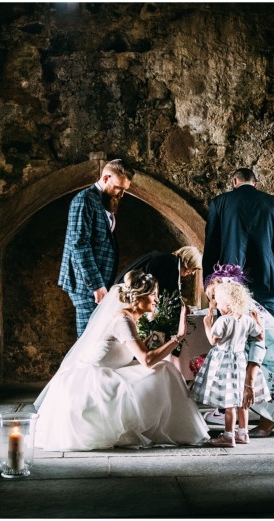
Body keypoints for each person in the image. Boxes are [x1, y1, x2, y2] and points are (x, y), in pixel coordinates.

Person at [34, 270, 209, 451]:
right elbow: (147, 360)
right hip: (96, 381)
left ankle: (173, 428)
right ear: (139, 296)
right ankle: (174, 429)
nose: (156, 300)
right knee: (164, 370)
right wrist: (178, 337)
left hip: (114, 371)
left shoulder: (131, 318)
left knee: (165, 369)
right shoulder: (123, 320)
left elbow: (132, 353)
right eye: (153, 295)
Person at [203, 264, 274, 437]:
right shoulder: (240, 304)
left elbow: (258, 343)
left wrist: (250, 376)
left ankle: (267, 421)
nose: (213, 303)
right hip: (269, 356)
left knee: (240, 377)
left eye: (215, 297)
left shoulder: (244, 311)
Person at [59, 159, 134, 337]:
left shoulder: (103, 201)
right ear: (106, 177)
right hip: (85, 284)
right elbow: (79, 244)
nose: (121, 194)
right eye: (118, 187)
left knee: (96, 339)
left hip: (98, 282)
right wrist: (96, 285)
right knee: (87, 342)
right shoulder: (84, 200)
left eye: (125, 189)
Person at [203, 167, 274, 318]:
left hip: (229, 283)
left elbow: (211, 247)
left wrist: (208, 283)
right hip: (267, 283)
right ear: (255, 184)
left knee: (232, 337)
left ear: (234, 182)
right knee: (267, 336)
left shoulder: (219, 203)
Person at [192, 279, 269, 447]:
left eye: (218, 302)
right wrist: (257, 321)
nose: (217, 305)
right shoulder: (247, 320)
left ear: (229, 303)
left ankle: (228, 435)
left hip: (224, 362)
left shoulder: (223, 320)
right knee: (242, 402)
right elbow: (260, 336)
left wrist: (207, 324)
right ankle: (243, 433)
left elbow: (213, 340)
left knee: (229, 403)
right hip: (241, 360)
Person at [114, 246, 202, 296]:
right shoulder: (170, 264)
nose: (193, 273)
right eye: (194, 268)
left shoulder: (168, 260)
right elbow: (164, 294)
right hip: (125, 293)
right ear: (189, 261)